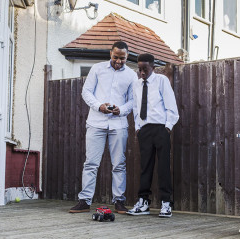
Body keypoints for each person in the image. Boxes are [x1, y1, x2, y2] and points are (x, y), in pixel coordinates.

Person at [69, 41, 138, 214]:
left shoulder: (131, 75)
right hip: (96, 122)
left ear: (127, 56)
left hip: (119, 124)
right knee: (91, 163)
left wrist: (120, 110)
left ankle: (119, 201)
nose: (119, 61)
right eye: (116, 57)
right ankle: (84, 201)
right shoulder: (97, 69)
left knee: (119, 164)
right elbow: (86, 92)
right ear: (110, 54)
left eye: (122, 58)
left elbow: (133, 100)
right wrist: (99, 105)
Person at [127, 53, 179, 218]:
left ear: (153, 68)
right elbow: (136, 107)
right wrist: (138, 127)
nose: (142, 73)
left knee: (164, 167)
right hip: (144, 129)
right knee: (145, 167)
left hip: (160, 128)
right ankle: (143, 202)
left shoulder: (161, 81)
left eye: (145, 69)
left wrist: (168, 127)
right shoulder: (136, 84)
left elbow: (171, 105)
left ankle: (166, 203)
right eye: (139, 69)